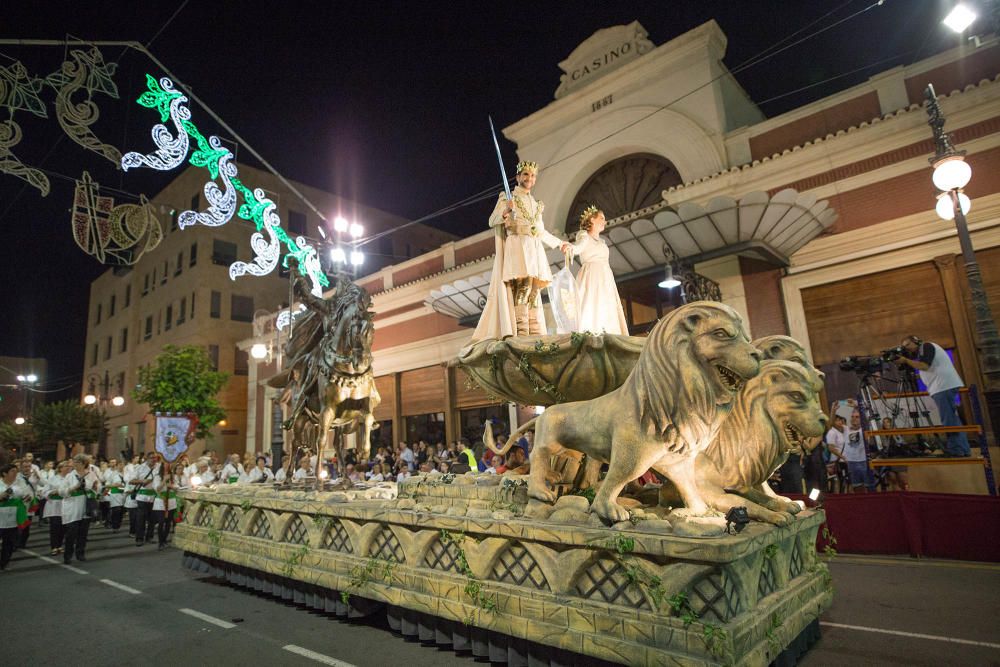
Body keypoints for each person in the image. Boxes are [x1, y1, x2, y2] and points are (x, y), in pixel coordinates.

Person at [473, 160, 572, 339]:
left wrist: (560, 244)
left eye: (532, 175)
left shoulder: (536, 204)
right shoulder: (508, 197)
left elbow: (541, 231)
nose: (529, 178)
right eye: (526, 174)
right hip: (518, 246)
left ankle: (534, 334)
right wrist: (505, 211)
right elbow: (492, 220)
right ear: (518, 177)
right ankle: (521, 334)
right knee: (523, 288)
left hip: (534, 249)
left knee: (534, 292)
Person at [898, 335, 970, 457]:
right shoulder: (922, 351)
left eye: (907, 345)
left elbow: (924, 366)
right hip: (942, 386)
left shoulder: (926, 346)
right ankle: (963, 449)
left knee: (948, 419)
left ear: (916, 341)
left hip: (943, 386)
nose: (906, 349)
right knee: (951, 418)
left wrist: (905, 360)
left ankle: (956, 450)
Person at [569, 206, 629, 335]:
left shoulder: (602, 241)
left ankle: (609, 333)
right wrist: (570, 248)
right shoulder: (584, 236)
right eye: (601, 218)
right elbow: (578, 248)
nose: (604, 221)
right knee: (592, 304)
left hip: (605, 276)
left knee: (606, 306)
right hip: (592, 275)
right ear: (592, 219)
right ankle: (592, 334)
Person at [59, 454, 100, 564]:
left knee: (83, 533)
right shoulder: (69, 476)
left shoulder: (91, 475)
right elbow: (61, 492)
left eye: (76, 462)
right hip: (72, 508)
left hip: (86, 507)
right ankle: (67, 555)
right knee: (71, 534)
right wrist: (74, 488)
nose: (73, 464)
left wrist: (96, 488)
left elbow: (97, 488)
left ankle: (80, 553)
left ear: (82, 463)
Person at [0, 463, 32, 570]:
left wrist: (28, 498)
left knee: (8, 543)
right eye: (12, 471)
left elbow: (28, 495)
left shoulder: (19, 484)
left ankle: (4, 562)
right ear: (4, 473)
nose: (15, 473)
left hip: (13, 519)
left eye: (16, 471)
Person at [842, 411, 876, 493]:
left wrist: (857, 406)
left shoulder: (863, 429)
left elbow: (866, 421)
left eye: (857, 417)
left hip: (864, 461)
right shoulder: (846, 429)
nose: (854, 418)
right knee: (857, 487)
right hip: (851, 462)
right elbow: (832, 424)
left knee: (870, 487)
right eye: (852, 416)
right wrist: (833, 410)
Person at [131, 453, 160, 546]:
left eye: (155, 458)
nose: (154, 459)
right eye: (151, 458)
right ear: (146, 458)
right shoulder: (140, 468)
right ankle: (139, 538)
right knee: (141, 519)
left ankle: (149, 537)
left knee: (153, 519)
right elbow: (131, 480)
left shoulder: (159, 467)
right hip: (142, 497)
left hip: (155, 497)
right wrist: (142, 481)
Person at [43, 461, 68, 555]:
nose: (68, 468)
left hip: (65, 504)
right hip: (54, 505)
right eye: (65, 466)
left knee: (63, 527)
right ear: (60, 468)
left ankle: (60, 545)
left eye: (68, 466)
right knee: (55, 526)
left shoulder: (70, 479)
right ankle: (54, 546)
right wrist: (52, 492)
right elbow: (45, 491)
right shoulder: (53, 479)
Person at [103, 459, 127, 531]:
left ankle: (118, 525)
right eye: (119, 465)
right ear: (117, 466)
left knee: (121, 512)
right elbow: (107, 484)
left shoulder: (127, 474)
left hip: (124, 494)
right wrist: (115, 485)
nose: (121, 466)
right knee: (116, 510)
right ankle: (114, 526)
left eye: (122, 465)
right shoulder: (113, 474)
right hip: (115, 495)